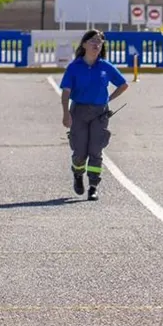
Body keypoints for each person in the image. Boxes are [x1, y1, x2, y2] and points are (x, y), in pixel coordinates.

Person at [59, 29, 129, 200]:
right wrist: (66, 113)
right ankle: (77, 173)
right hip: (79, 112)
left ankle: (93, 186)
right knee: (80, 151)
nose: (96, 44)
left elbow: (123, 84)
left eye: (99, 41)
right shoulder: (74, 67)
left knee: (96, 150)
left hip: (99, 113)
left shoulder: (106, 66)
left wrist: (108, 100)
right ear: (84, 44)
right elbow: (66, 92)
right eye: (92, 41)